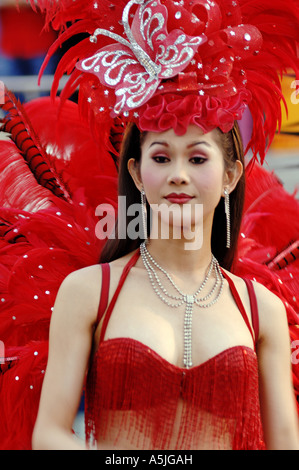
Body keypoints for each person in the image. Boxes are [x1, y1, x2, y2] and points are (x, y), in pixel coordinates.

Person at [0, 0, 298, 450]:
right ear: (138, 174)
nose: (178, 174)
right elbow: (51, 432)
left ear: (231, 175)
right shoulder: (87, 291)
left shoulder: (262, 310)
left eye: (197, 158)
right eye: (161, 158)